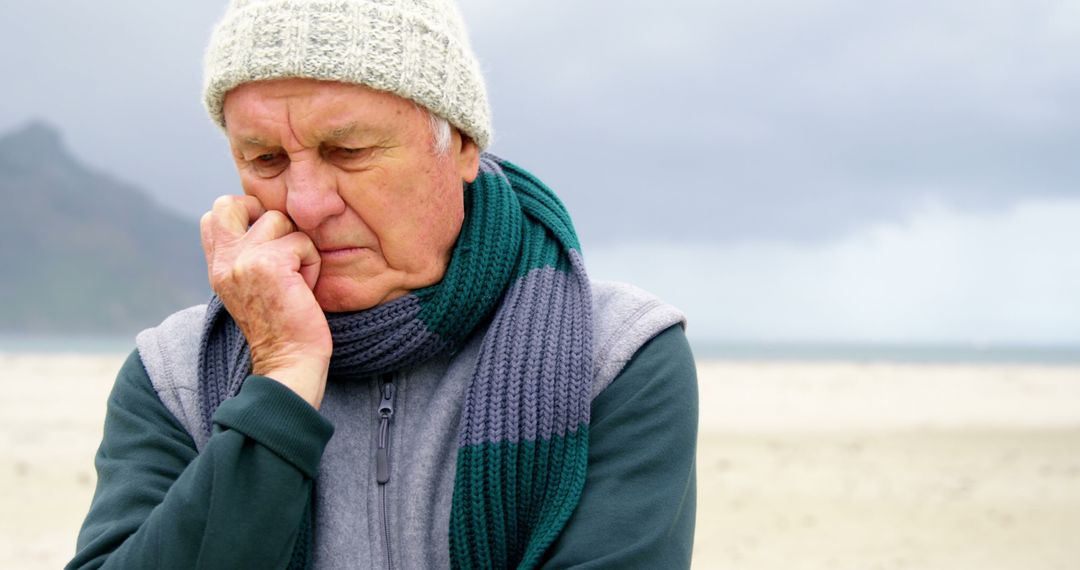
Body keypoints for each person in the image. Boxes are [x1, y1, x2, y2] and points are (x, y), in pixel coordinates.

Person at [67, 0, 697, 568]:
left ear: (462, 145)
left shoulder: (614, 356)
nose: (307, 204)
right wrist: (281, 378)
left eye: (349, 151)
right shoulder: (173, 374)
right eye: (266, 160)